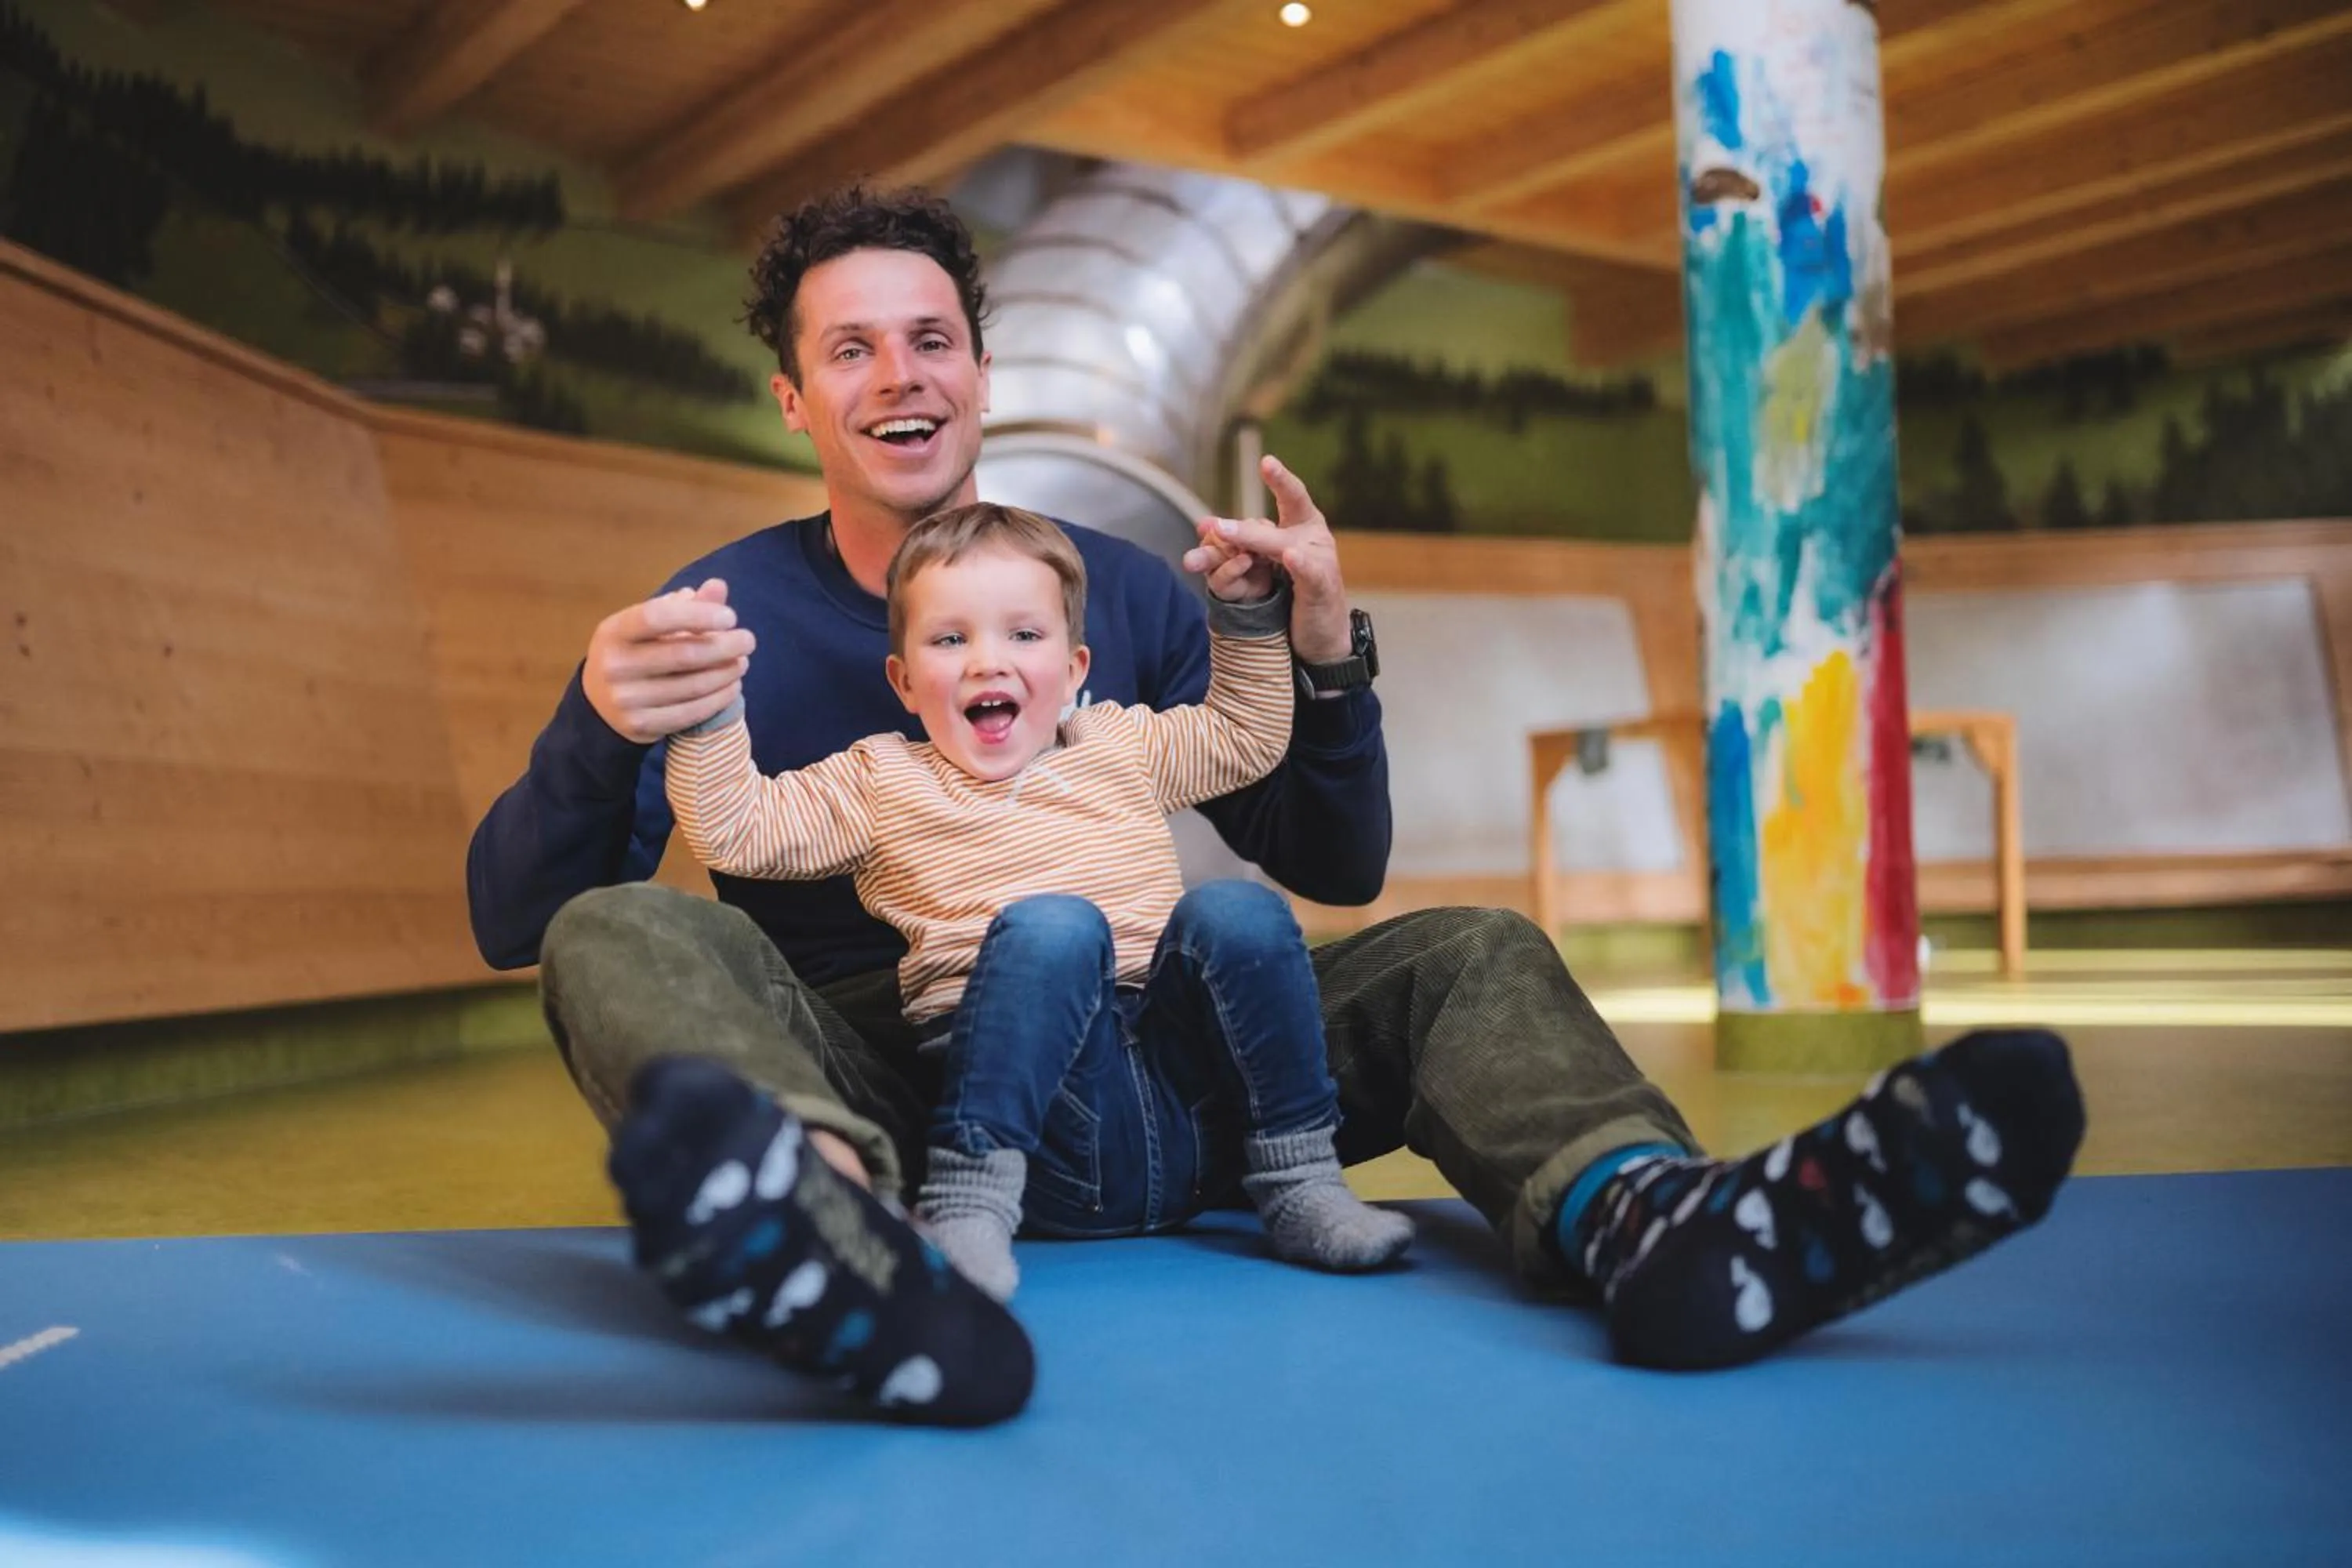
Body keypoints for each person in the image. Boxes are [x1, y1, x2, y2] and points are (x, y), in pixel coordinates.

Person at [466, 184, 2085, 1425]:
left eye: (932, 338)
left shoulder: (1117, 591)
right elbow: (517, 919)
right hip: (895, 1069)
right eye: (851, 348)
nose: (901, 374)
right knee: (621, 924)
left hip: (1168, 1055)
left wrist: (1318, 656)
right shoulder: (723, 610)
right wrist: (604, 720)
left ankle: (1650, 1221)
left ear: (980, 370)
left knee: (1466, 950)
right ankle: (835, 1236)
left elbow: (1335, 862)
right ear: (795, 400)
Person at [662, 501, 1413, 1302]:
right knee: (1057, 925)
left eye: (1024, 635)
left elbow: (1245, 737)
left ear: (1076, 668)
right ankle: (968, 1204)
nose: (988, 663)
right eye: (951, 640)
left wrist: (1249, 615)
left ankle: (1302, 1184)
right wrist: (710, 706)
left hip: (1185, 1101)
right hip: (1040, 1124)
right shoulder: (881, 780)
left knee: (1239, 911)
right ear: (904, 680)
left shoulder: (1119, 743)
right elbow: (738, 830)